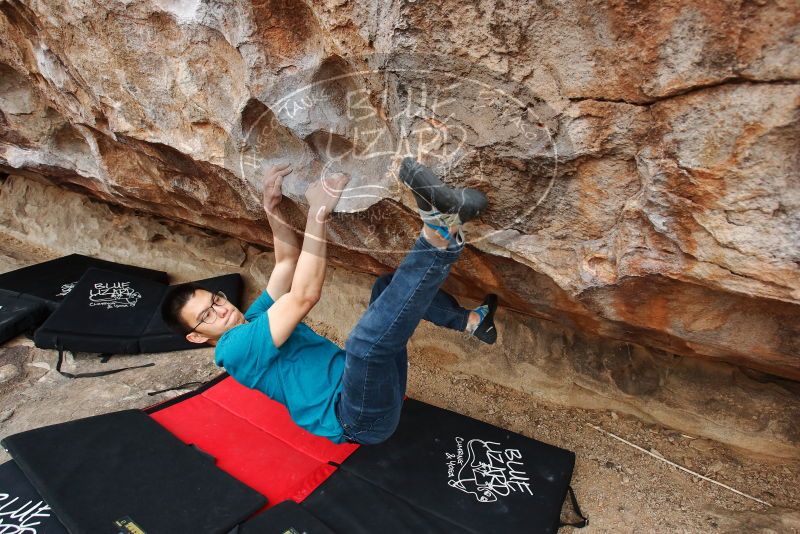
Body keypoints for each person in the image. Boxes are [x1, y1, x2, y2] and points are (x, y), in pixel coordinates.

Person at [161, 158, 498, 444]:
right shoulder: (232, 350)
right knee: (364, 344)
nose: (221, 309)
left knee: (385, 288)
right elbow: (304, 295)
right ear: (196, 336)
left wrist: (271, 208)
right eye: (206, 315)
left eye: (215, 300)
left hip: (370, 386)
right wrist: (316, 214)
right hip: (357, 418)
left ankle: (471, 322)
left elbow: (286, 263)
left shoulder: (253, 318)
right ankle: (440, 231)